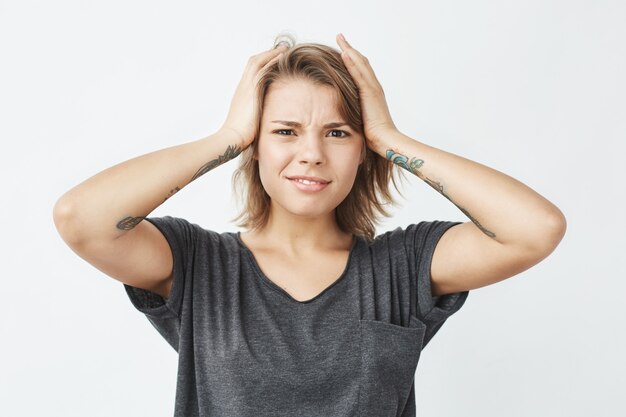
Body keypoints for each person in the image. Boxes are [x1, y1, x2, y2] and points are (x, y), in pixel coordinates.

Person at [52, 32, 567, 417]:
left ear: (362, 151)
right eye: (285, 131)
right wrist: (228, 135)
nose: (312, 154)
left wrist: (389, 137)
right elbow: (82, 219)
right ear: (255, 146)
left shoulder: (403, 265)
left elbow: (536, 228)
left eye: (338, 132)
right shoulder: (198, 264)